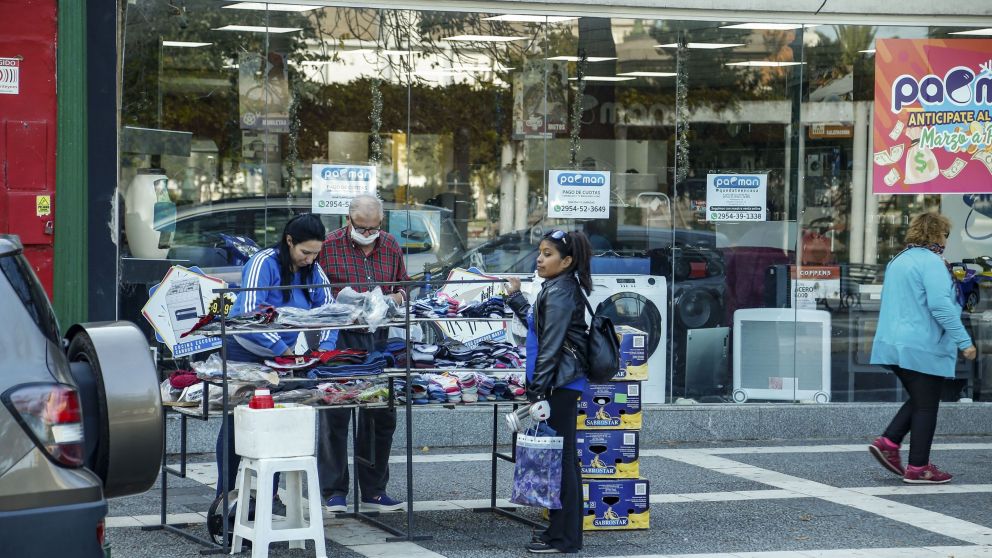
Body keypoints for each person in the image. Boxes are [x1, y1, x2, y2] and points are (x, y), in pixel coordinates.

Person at [214, 213, 338, 495]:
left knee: (278, 424)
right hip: (245, 351)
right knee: (238, 423)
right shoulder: (263, 262)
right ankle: (226, 497)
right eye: (305, 252)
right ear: (289, 241)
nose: (309, 259)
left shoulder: (313, 270)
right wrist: (282, 349)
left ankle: (269, 498)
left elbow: (332, 313)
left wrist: (325, 350)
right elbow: (248, 313)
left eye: (315, 254)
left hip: (285, 357)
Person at [869, 212, 977, 484]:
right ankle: (918, 467)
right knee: (926, 405)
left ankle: (889, 443)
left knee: (921, 399)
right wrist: (964, 341)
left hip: (893, 344)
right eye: (946, 235)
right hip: (922, 345)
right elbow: (940, 306)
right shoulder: (932, 262)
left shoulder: (899, 260)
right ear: (939, 234)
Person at [318, 194, 409, 512]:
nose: (368, 234)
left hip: (379, 338)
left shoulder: (391, 244)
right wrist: (344, 298)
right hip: (341, 339)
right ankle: (333, 490)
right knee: (335, 414)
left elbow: (404, 285)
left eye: (374, 228)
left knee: (380, 414)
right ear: (348, 220)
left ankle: (374, 489)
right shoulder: (328, 246)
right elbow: (316, 289)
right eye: (362, 227)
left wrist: (394, 299)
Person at [505, 229, 592, 554]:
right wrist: (515, 297)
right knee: (559, 461)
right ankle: (558, 530)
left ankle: (566, 539)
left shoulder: (560, 291)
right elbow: (538, 326)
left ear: (566, 261)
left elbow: (551, 347)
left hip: (559, 386)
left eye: (548, 254)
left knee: (565, 462)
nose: (540, 259)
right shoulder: (558, 287)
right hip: (559, 384)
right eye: (540, 252)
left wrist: (537, 393)